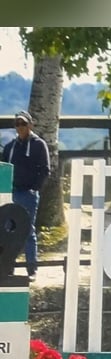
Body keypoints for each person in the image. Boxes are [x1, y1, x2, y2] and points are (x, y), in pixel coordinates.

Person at [1, 110, 50, 281]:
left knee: (28, 230)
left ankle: (31, 269)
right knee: (6, 229)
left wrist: (34, 188)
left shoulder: (38, 144)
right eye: (17, 124)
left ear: (30, 125)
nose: (20, 127)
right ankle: (8, 267)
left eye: (23, 123)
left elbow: (45, 169)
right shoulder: (10, 147)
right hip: (12, 193)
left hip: (28, 194)